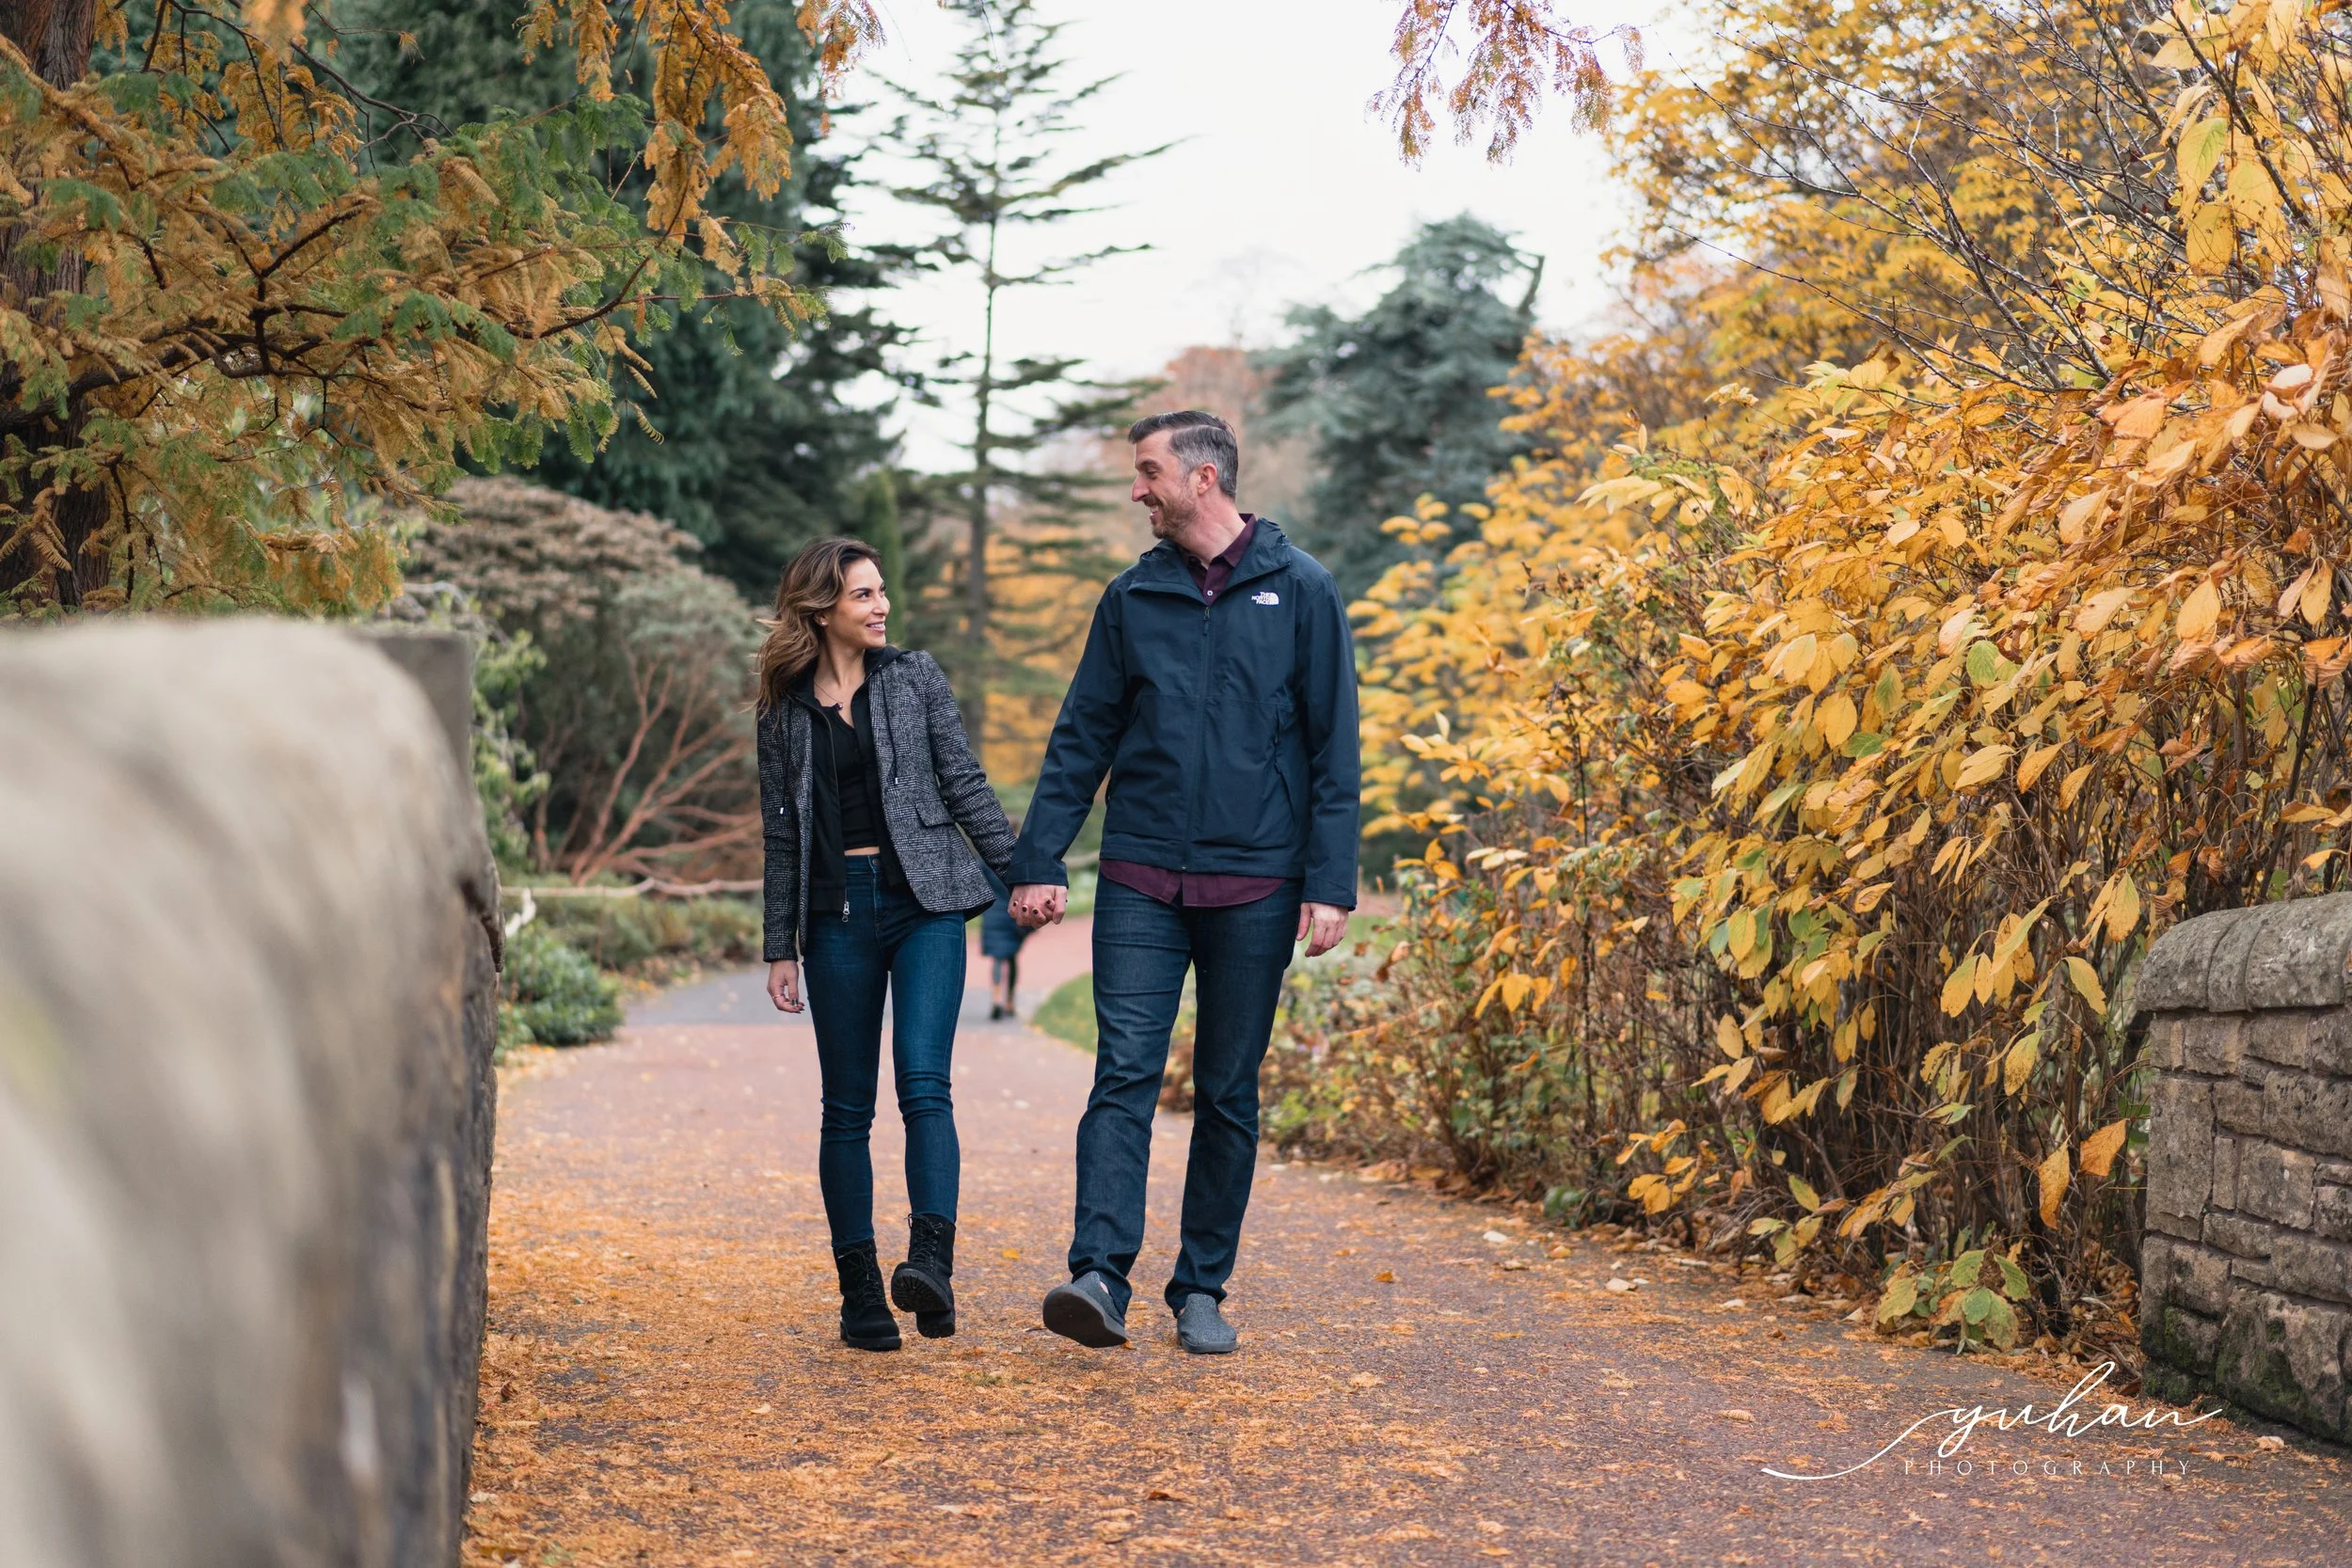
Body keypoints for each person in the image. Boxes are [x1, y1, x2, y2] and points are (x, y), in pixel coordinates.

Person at [1008, 410, 1359, 1355]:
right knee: (1122, 1070)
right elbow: (1080, 733)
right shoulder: (1131, 598)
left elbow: (1334, 746)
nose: (1137, 489)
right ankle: (1099, 1273)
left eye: (1148, 471)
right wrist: (1038, 855)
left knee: (1227, 1090)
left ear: (1204, 478)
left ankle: (1200, 1285)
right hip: (1139, 875)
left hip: (1255, 881)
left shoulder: (1303, 588)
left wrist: (1329, 883)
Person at [755, 538, 1016, 1352]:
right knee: (846, 1108)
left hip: (924, 902)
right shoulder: (782, 711)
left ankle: (930, 1263)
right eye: (864, 595)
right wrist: (779, 945)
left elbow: (964, 779)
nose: (881, 607)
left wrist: (1023, 870)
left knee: (924, 1083)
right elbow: (780, 833)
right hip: (834, 916)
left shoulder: (914, 678)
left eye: (881, 592)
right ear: (822, 606)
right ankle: (860, 1290)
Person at [979, 862, 1027, 1020]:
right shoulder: (1018, 860)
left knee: (997, 959)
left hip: (992, 913)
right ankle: (1010, 1001)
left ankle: (996, 999)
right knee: (1012, 957)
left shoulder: (985, 862)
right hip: (1013, 913)